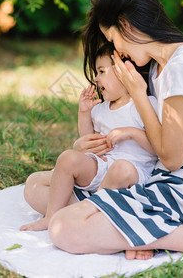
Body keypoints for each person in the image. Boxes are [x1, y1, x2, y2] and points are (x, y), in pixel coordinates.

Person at [26, 0, 183, 260]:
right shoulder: (161, 68)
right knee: (37, 185)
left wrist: (137, 93)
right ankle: (132, 229)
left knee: (64, 228)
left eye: (113, 40)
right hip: (164, 184)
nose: (117, 51)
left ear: (126, 26)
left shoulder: (182, 67)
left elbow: (172, 159)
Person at [20, 43, 158, 232]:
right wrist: (84, 113)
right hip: (102, 168)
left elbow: (158, 147)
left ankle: (87, 212)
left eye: (102, 71)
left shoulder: (144, 104)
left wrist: (131, 132)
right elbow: (89, 143)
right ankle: (54, 216)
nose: (96, 78)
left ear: (124, 72)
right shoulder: (101, 109)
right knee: (66, 159)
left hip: (132, 175)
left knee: (121, 168)